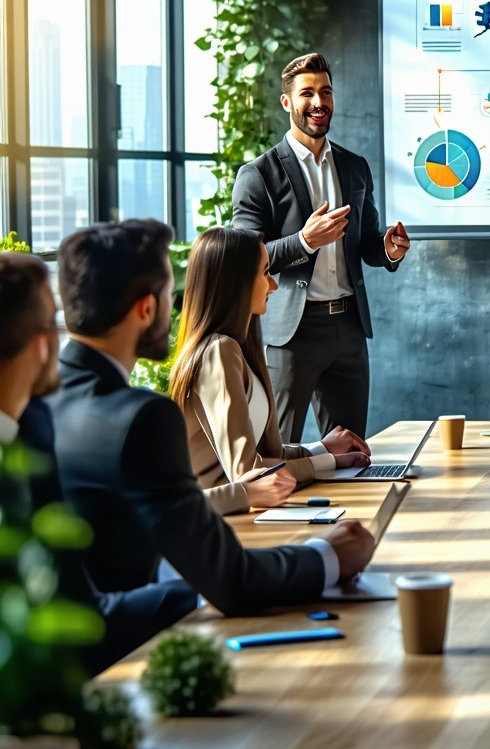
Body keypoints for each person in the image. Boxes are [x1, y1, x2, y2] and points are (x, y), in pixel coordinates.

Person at [47, 219, 375, 616]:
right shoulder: (142, 417)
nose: (178, 305)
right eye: (170, 294)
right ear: (147, 308)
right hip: (129, 632)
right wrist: (328, 555)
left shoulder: (43, 404)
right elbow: (232, 579)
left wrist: (319, 453)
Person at [0, 251, 195, 674]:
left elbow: (77, 599)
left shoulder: (35, 426)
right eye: (54, 322)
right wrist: (200, 594)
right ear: (40, 344)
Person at [232, 51, 410, 442]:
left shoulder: (354, 166)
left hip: (349, 328)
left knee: (351, 451)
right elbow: (244, 259)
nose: (318, 102)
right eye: (307, 93)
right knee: (278, 451)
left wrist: (389, 250)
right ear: (287, 102)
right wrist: (304, 241)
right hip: (292, 333)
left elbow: (367, 242)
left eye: (325, 92)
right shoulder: (258, 175)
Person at [169, 227, 372, 514]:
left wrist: (323, 449)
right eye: (265, 273)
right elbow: (250, 473)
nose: (273, 285)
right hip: (218, 522)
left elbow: (268, 456)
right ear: (237, 283)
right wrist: (324, 462)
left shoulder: (238, 349)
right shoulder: (219, 351)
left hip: (240, 514)